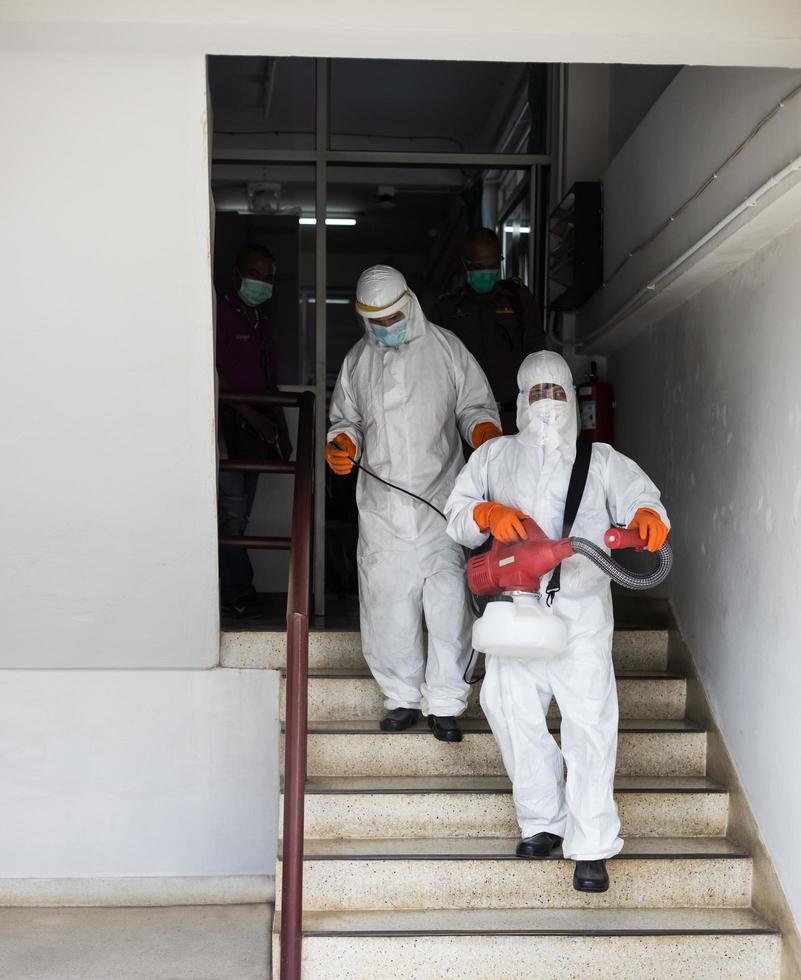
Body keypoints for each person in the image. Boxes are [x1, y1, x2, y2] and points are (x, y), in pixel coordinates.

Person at [444, 350, 669, 892]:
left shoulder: (602, 460)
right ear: (519, 401)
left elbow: (644, 499)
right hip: (517, 611)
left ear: (573, 396)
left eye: (558, 393)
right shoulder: (494, 457)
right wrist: (485, 513)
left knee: (589, 723)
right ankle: (542, 820)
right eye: (537, 394)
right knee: (509, 708)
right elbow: (456, 516)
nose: (548, 405)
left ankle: (590, 844)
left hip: (582, 613)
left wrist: (647, 518)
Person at [325, 265, 502, 741]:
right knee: (388, 608)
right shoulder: (357, 362)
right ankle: (401, 696)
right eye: (375, 321)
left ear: (410, 303)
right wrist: (342, 444)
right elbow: (347, 420)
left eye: (393, 317)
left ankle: (445, 701)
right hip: (382, 511)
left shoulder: (446, 349)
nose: (386, 328)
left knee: (448, 607)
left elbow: (475, 406)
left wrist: (484, 434)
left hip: (442, 503)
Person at [216, 243, 291, 618]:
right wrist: (256, 418)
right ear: (236, 274)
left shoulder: (262, 323)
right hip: (228, 427)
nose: (260, 283)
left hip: (258, 432)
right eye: (254, 274)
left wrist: (281, 427)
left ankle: (234, 589)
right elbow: (217, 377)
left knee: (240, 517)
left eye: (268, 277)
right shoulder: (220, 314)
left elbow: (270, 381)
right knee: (229, 516)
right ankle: (237, 591)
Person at [432, 227, 545, 434]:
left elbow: (538, 354)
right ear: (465, 264)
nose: (486, 270)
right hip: (468, 425)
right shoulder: (446, 310)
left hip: (517, 419)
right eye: (478, 265)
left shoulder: (518, 299)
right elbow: (435, 370)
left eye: (492, 264)